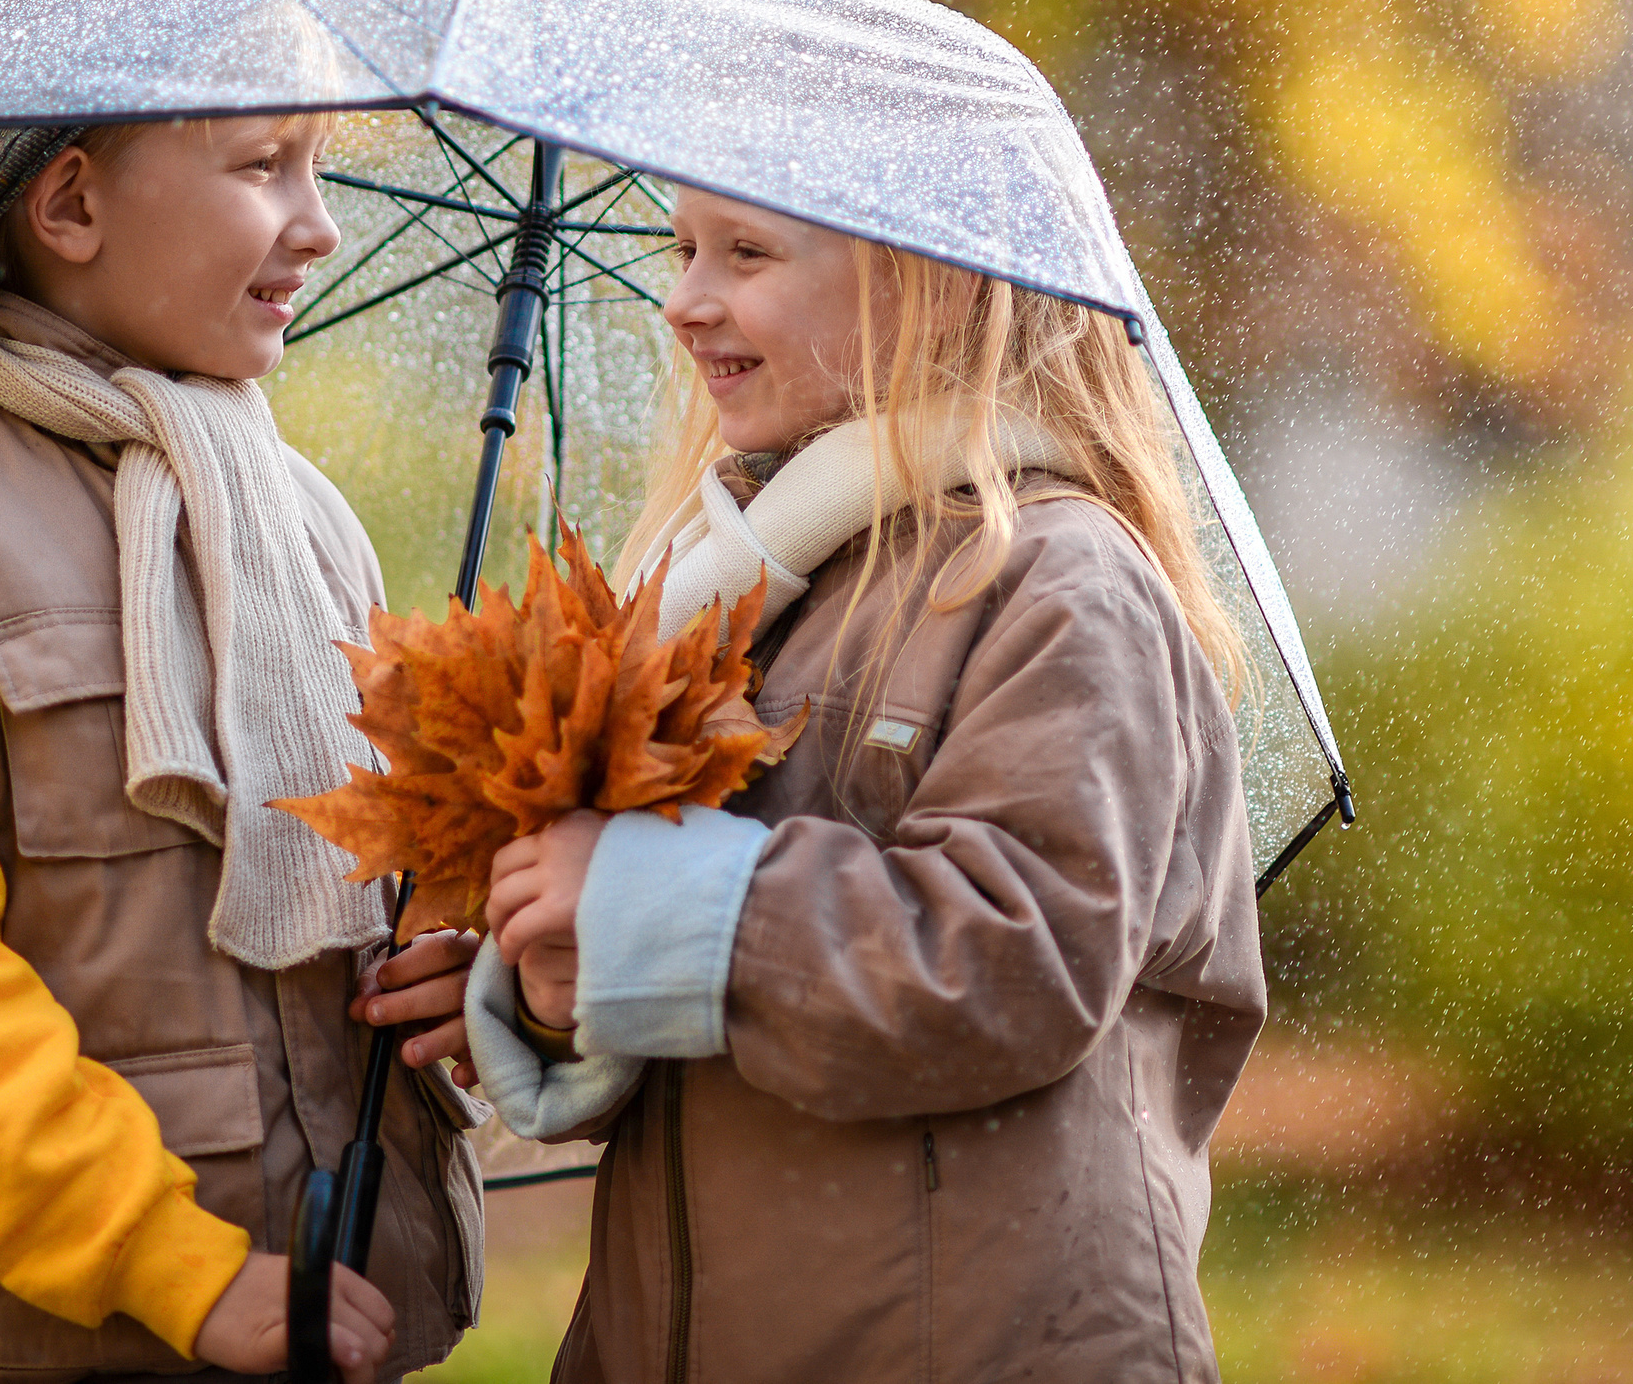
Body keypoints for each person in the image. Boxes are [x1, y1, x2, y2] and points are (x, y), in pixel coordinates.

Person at [0, 117, 485, 1383]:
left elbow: (370, 871)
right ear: (70, 207)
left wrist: (444, 963)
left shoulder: (301, 524)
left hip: (329, 1305)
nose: (319, 223)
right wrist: (175, 1263)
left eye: (316, 165)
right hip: (33, 1345)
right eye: (263, 166)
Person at [463, 186, 1266, 1382]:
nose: (684, 300)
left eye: (746, 252)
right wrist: (559, 957)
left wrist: (646, 896)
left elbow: (1015, 962)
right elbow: (697, 1038)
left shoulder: (1056, 583)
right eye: (683, 250)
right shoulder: (728, 586)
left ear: (935, 281)